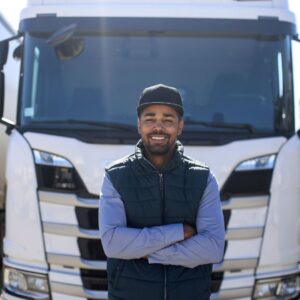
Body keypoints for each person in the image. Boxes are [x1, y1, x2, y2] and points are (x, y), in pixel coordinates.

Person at [99, 84, 225, 300]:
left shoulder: (203, 178)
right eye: (150, 119)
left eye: (168, 120)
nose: (158, 128)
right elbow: (112, 243)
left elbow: (213, 248)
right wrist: (177, 233)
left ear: (180, 126)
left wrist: (142, 252)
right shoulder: (115, 176)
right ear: (139, 125)